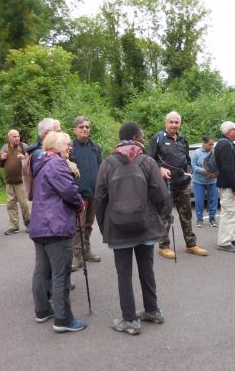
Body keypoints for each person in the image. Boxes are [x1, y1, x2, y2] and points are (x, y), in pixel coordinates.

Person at [95, 122, 170, 335]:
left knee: (124, 274)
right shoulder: (147, 162)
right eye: (143, 136)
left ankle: (129, 320)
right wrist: (162, 217)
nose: (145, 139)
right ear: (136, 138)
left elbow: (99, 197)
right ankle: (152, 311)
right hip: (145, 226)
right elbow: (162, 195)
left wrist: (104, 226)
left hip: (118, 229)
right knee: (147, 269)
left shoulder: (107, 163)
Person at [29, 131, 87, 333]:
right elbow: (70, 191)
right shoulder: (57, 163)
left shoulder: (41, 162)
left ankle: (42, 309)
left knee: (41, 270)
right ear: (54, 146)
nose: (69, 147)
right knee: (61, 273)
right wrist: (80, 204)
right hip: (56, 226)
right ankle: (63, 319)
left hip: (40, 225)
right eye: (66, 144)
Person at [148, 111, 208, 259]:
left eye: (176, 122)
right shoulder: (158, 138)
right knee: (166, 215)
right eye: (171, 122)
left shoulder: (183, 139)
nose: (174, 125)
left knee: (186, 214)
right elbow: (149, 160)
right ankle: (164, 246)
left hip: (183, 183)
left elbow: (187, 159)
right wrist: (160, 168)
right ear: (166, 123)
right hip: (165, 184)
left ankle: (191, 244)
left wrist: (189, 170)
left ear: (180, 123)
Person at [70, 116, 102, 271]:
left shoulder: (95, 147)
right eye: (81, 126)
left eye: (87, 127)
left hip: (94, 193)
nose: (84, 129)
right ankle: (77, 256)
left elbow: (101, 168)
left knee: (89, 225)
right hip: (78, 195)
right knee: (78, 227)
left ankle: (87, 250)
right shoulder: (70, 148)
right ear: (74, 129)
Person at [214, 121, 235, 252]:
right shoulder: (226, 144)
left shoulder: (225, 143)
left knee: (230, 213)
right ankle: (224, 242)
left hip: (227, 185)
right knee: (229, 214)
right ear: (228, 132)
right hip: (228, 186)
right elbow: (228, 168)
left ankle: (230, 238)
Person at [0, 129, 31, 235]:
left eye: (18, 136)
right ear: (9, 138)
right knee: (10, 204)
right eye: (14, 136)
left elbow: (31, 160)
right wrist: (1, 158)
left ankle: (29, 224)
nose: (17, 138)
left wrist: (24, 158)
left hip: (21, 180)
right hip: (9, 181)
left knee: (24, 204)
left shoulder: (24, 146)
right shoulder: (4, 148)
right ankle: (14, 226)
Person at [191, 135, 219, 228]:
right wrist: (202, 171)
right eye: (210, 144)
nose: (211, 146)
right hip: (198, 181)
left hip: (212, 181)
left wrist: (215, 172)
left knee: (213, 200)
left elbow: (219, 165)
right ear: (204, 143)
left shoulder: (214, 153)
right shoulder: (196, 153)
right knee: (199, 201)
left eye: (212, 145)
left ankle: (212, 219)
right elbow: (193, 166)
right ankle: (199, 219)